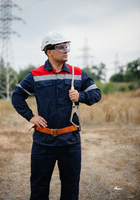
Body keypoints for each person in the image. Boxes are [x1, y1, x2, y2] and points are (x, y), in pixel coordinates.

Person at [11, 31, 101, 200]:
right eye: (61, 47)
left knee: (71, 187)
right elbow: (17, 96)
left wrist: (80, 96)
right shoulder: (36, 75)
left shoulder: (78, 73)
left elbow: (96, 93)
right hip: (43, 142)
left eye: (67, 46)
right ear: (49, 51)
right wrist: (31, 117)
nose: (66, 50)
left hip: (70, 142)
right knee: (39, 188)